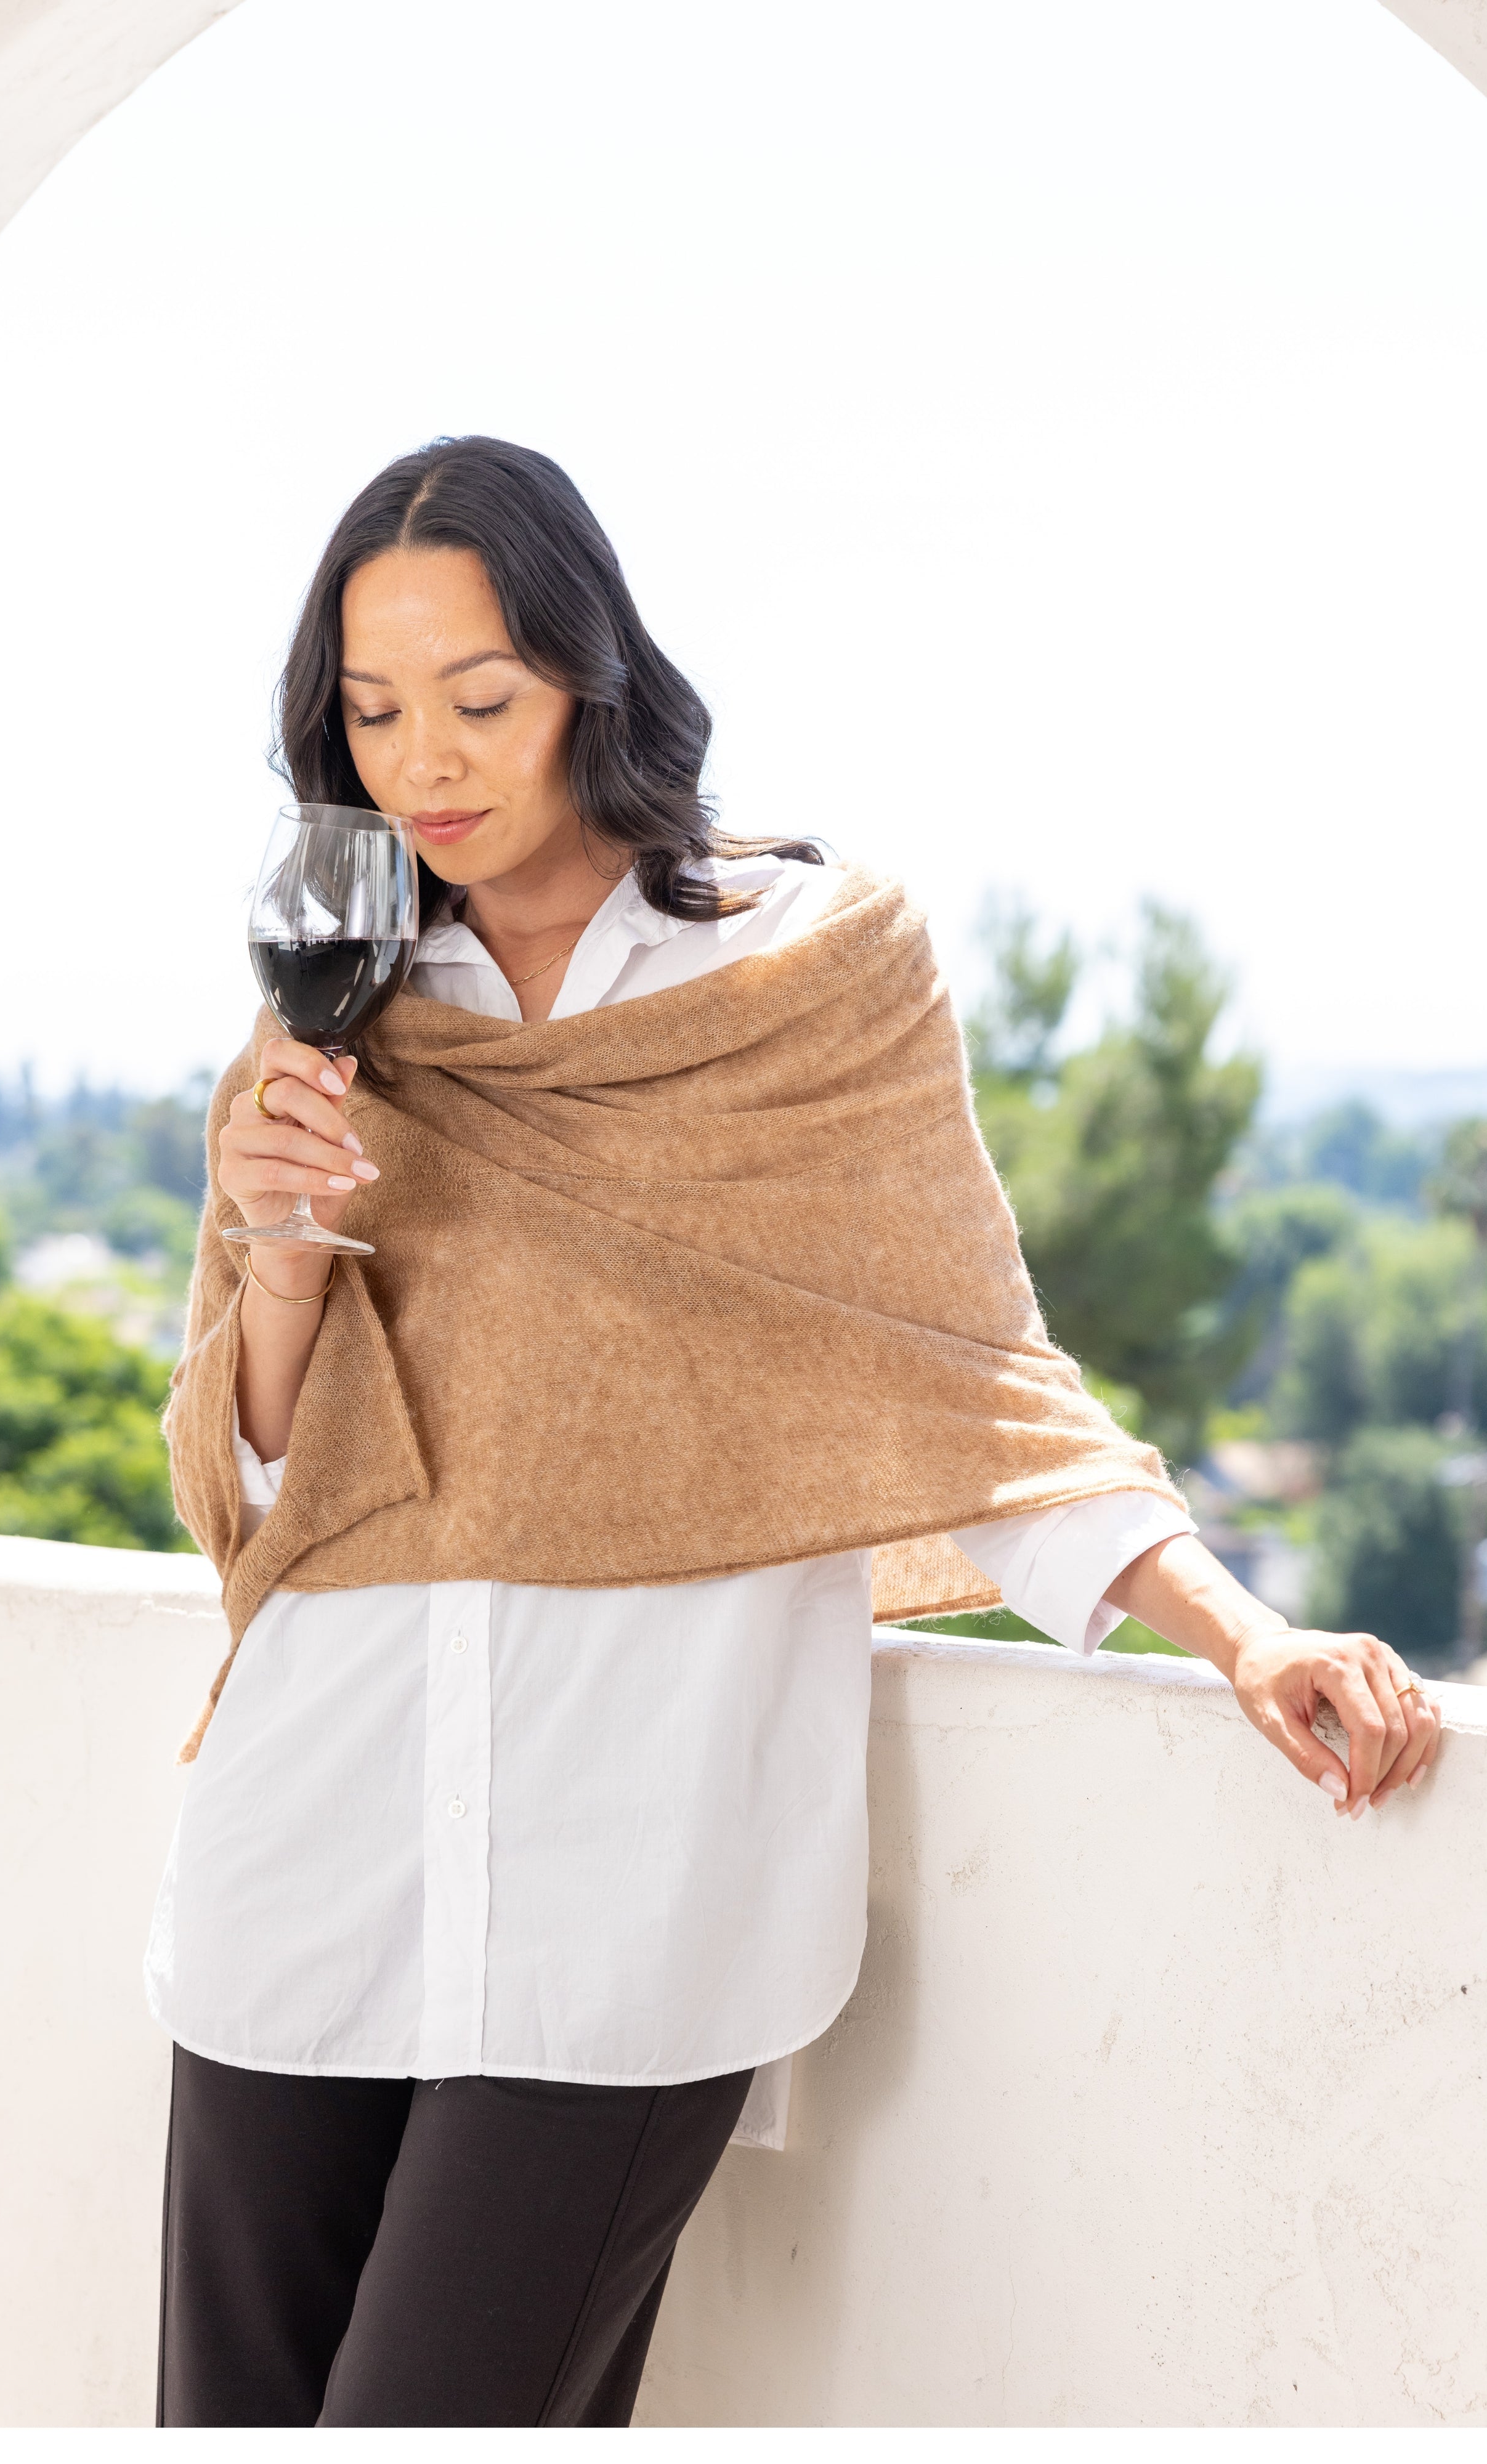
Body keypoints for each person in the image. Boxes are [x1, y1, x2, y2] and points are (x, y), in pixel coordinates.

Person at [152, 436, 1441, 2428]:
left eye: (482, 699)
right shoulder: (336, 1007)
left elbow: (961, 1372)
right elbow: (251, 1500)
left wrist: (1247, 1634)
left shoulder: (804, 972)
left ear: (592, 671)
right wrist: (281, 1257)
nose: (428, 761)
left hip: (632, 1895)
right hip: (306, 1862)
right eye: (374, 711)